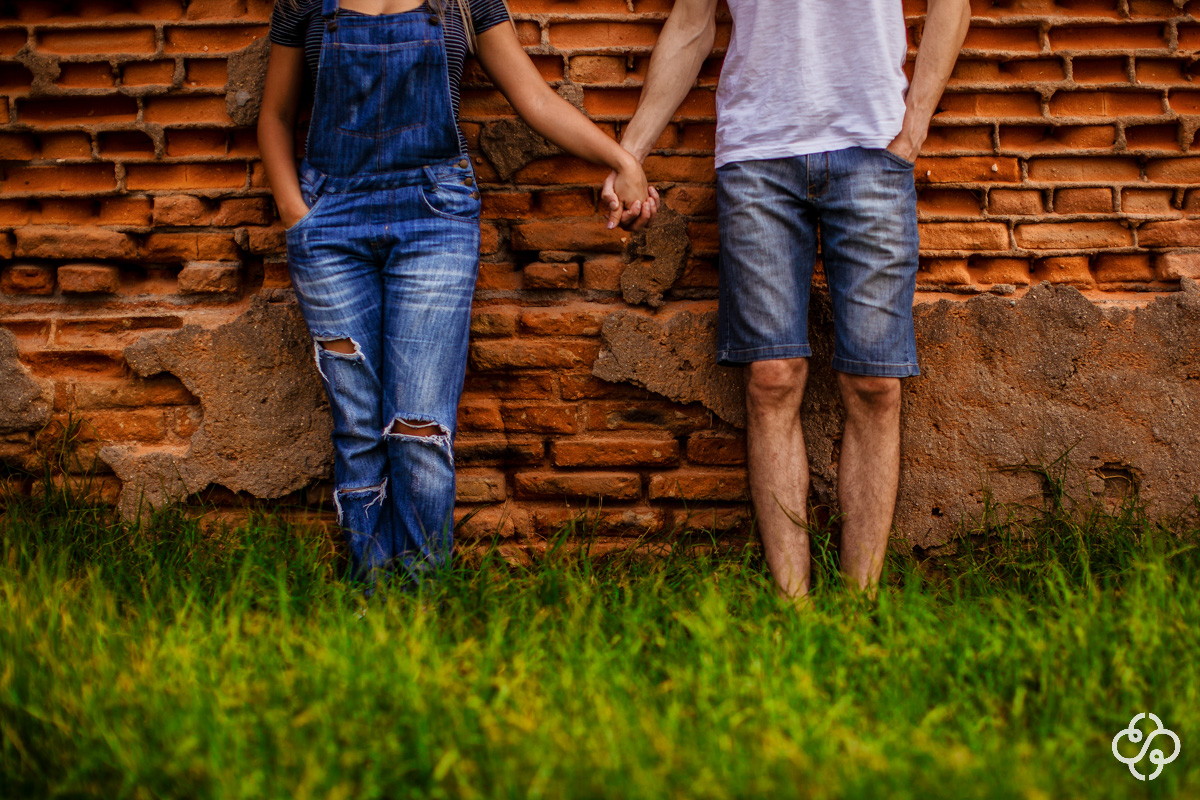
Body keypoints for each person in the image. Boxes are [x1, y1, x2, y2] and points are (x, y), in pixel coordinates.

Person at [258, 0, 652, 585]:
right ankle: (369, 600)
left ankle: (418, 606)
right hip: (330, 226)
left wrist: (622, 159)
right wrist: (298, 216)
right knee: (358, 427)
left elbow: (534, 98)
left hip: (434, 222)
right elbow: (275, 113)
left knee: (420, 427)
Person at [602, 0, 971, 597]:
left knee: (875, 381)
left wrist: (915, 125)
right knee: (771, 377)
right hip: (756, 157)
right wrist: (630, 155)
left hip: (874, 150)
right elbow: (694, 23)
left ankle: (858, 608)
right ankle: (792, 611)